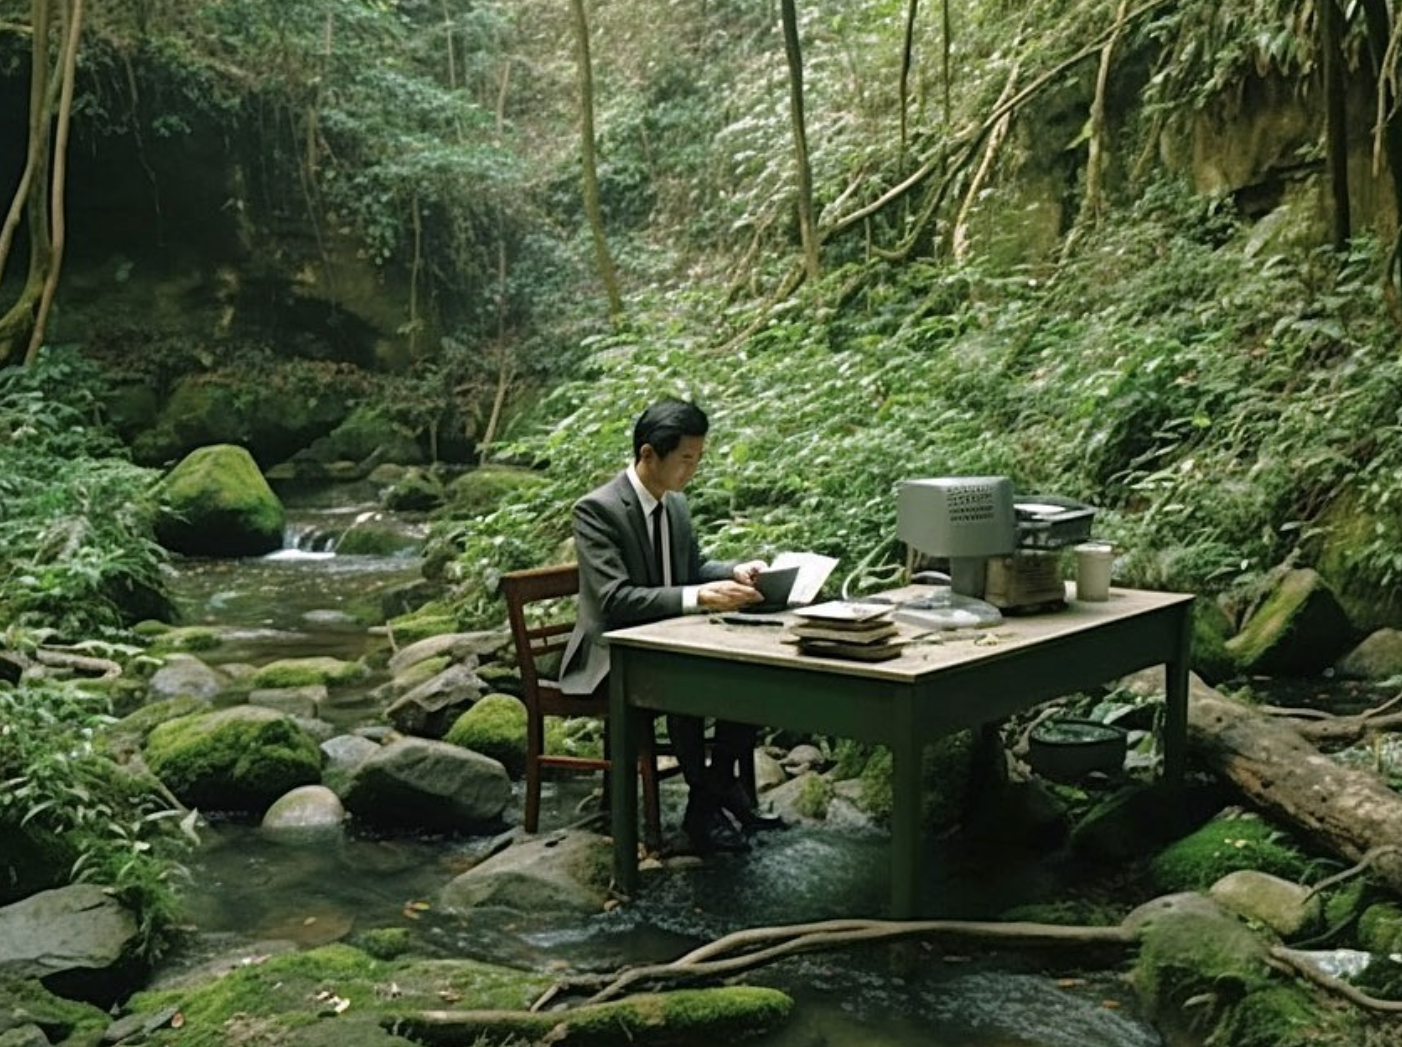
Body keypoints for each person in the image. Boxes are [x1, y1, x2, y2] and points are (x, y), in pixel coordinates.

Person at [559, 397, 785, 853]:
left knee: (751, 676)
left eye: (698, 459)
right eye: (686, 459)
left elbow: (692, 566)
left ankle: (707, 799)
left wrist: (734, 572)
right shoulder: (597, 510)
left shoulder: (675, 504)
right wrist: (698, 597)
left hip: (670, 641)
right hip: (614, 651)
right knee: (695, 683)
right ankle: (717, 799)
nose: (692, 471)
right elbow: (614, 600)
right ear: (648, 455)